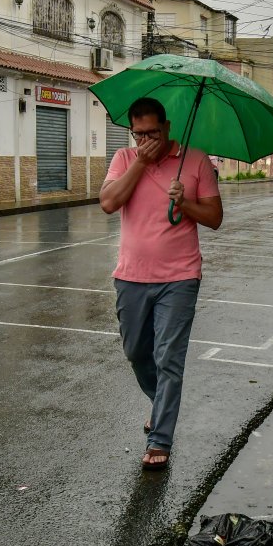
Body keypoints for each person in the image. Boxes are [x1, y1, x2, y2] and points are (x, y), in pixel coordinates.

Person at [99, 97, 223, 471]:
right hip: (131, 276)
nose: (146, 140)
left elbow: (215, 218)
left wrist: (185, 203)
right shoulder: (124, 159)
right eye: (138, 134)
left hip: (179, 277)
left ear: (168, 127)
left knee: (168, 357)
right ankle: (160, 405)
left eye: (152, 132)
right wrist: (140, 161)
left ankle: (160, 439)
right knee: (137, 352)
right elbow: (108, 202)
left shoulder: (196, 161)